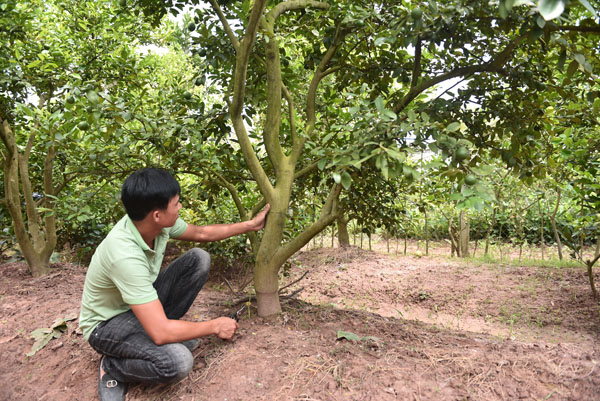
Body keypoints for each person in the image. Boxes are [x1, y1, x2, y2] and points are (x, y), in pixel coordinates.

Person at [78, 167, 269, 401]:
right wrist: (215, 325)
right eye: (176, 203)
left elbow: (201, 233)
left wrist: (250, 225)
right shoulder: (123, 254)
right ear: (157, 214)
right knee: (178, 361)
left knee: (198, 259)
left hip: (138, 308)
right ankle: (113, 366)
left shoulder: (156, 224)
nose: (180, 207)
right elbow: (159, 333)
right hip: (107, 324)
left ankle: (162, 328)